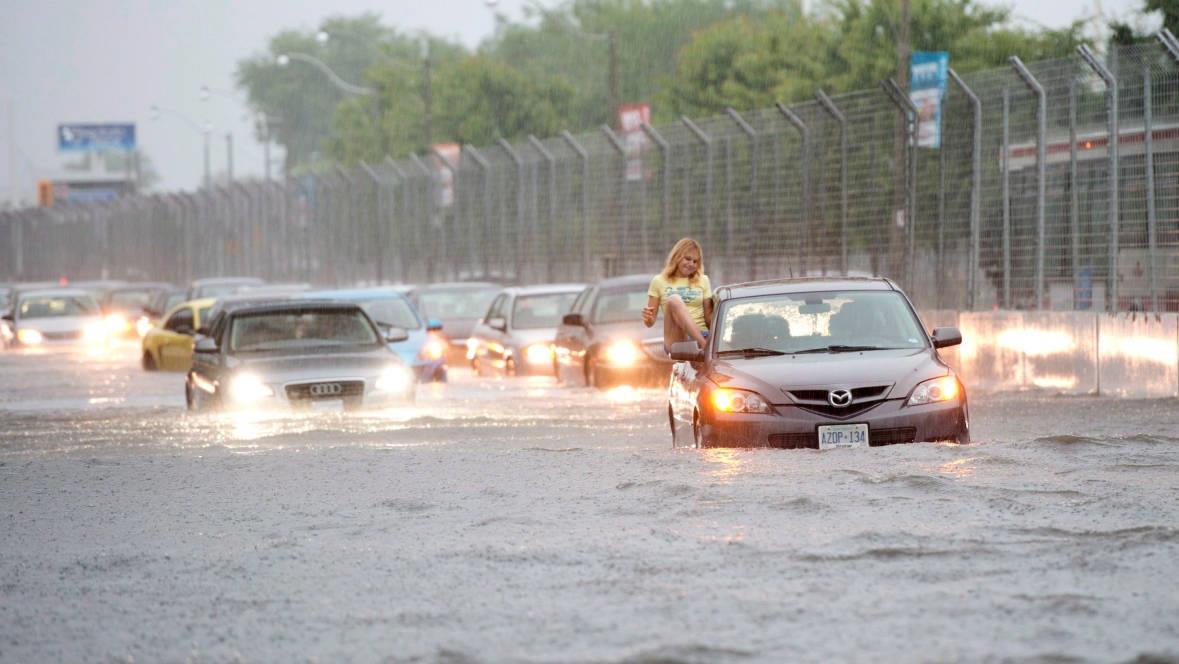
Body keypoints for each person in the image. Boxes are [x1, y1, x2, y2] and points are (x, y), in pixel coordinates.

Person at [642, 237, 713, 351]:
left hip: (703, 333)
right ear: (677, 256)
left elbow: (708, 317)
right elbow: (650, 323)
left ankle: (704, 345)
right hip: (676, 338)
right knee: (674, 299)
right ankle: (705, 348)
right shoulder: (658, 281)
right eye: (688, 259)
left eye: (695, 261)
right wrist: (647, 318)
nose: (691, 264)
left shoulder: (703, 280)